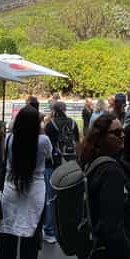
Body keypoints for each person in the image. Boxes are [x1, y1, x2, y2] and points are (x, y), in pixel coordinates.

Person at [0, 105, 52, 259]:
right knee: (29, 251)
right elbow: (50, 157)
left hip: (11, 192)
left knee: (6, 248)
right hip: (35, 194)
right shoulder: (43, 141)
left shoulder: (10, 139)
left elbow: (6, 160)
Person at [78, 114, 130, 259]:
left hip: (93, 254)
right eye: (116, 133)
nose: (122, 135)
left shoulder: (91, 162)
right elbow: (112, 226)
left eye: (123, 131)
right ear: (102, 137)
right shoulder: (111, 172)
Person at [43, 101, 79, 243]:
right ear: (65, 109)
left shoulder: (51, 124)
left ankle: (50, 230)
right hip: (71, 163)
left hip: (54, 164)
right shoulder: (73, 123)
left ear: (54, 110)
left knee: (51, 197)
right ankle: (71, 228)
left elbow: (46, 144)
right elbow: (78, 142)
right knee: (71, 195)